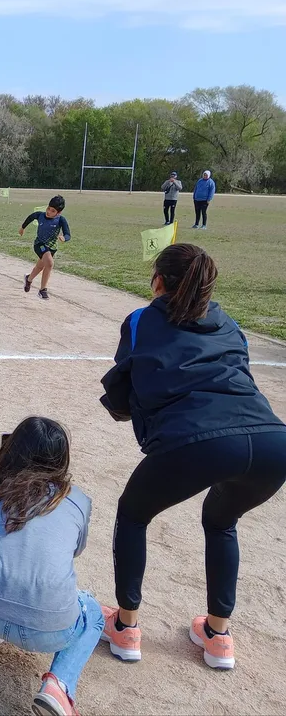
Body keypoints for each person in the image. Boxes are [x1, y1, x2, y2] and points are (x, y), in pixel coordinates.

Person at [99, 244, 286, 671]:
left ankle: (126, 628)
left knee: (133, 514)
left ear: (159, 282)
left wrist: (125, 409)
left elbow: (124, 389)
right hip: (275, 443)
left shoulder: (142, 319)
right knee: (221, 521)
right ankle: (217, 635)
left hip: (201, 440)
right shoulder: (232, 324)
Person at [0, 417, 102, 716]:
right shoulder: (78, 500)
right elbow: (75, 551)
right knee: (93, 612)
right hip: (50, 630)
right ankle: (59, 686)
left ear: (12, 450)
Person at [20, 195, 70, 301]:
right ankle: (42, 290)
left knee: (40, 267)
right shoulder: (40, 215)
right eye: (48, 208)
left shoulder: (61, 220)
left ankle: (28, 279)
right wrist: (23, 227)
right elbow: (31, 217)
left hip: (52, 248)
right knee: (50, 263)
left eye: (52, 211)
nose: (48, 212)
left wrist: (64, 238)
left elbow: (68, 234)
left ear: (58, 213)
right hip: (40, 244)